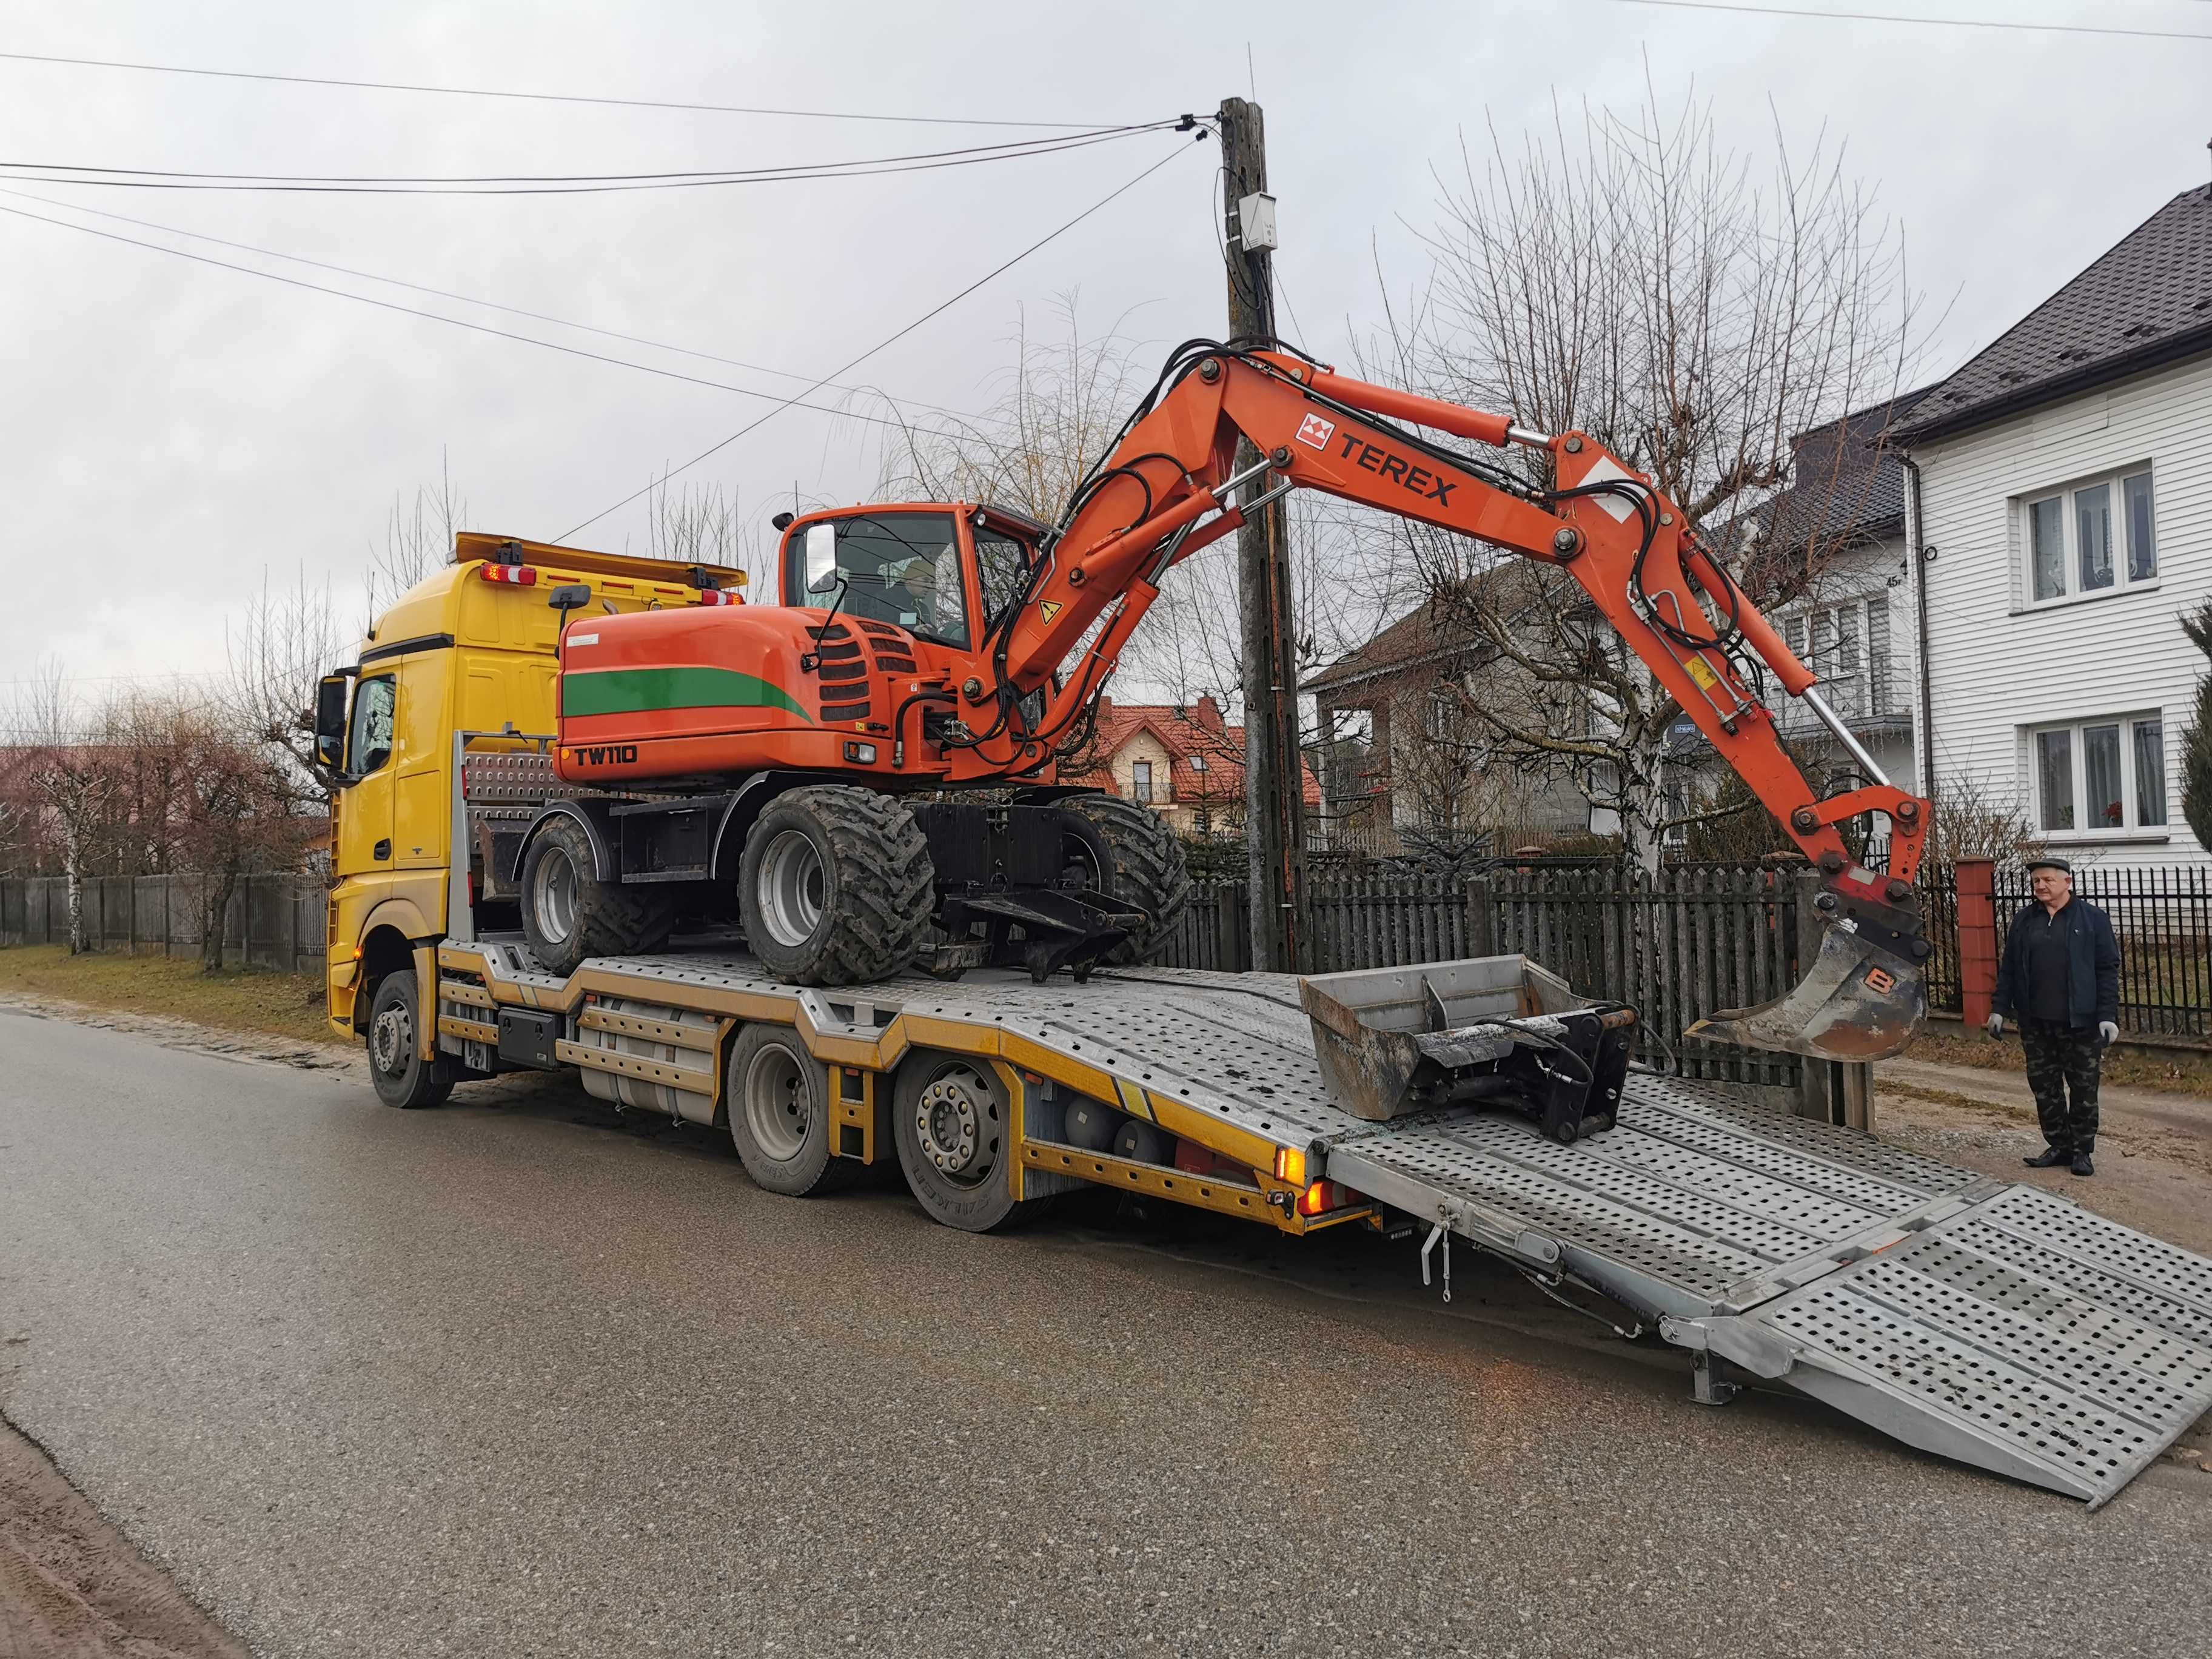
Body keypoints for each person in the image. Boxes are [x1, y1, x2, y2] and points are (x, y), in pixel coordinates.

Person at [1986, 856, 2120, 1177]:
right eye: (2036, 881)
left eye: (2048, 880)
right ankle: (2059, 1146)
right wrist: (1999, 1009)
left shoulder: (2092, 920)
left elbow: (2107, 971)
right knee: (2045, 1087)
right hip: (2037, 1022)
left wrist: (2107, 1016)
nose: (2041, 886)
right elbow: (2009, 970)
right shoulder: (2024, 920)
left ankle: (2082, 1151)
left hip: (2081, 1023)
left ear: (2067, 882)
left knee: (2084, 1089)